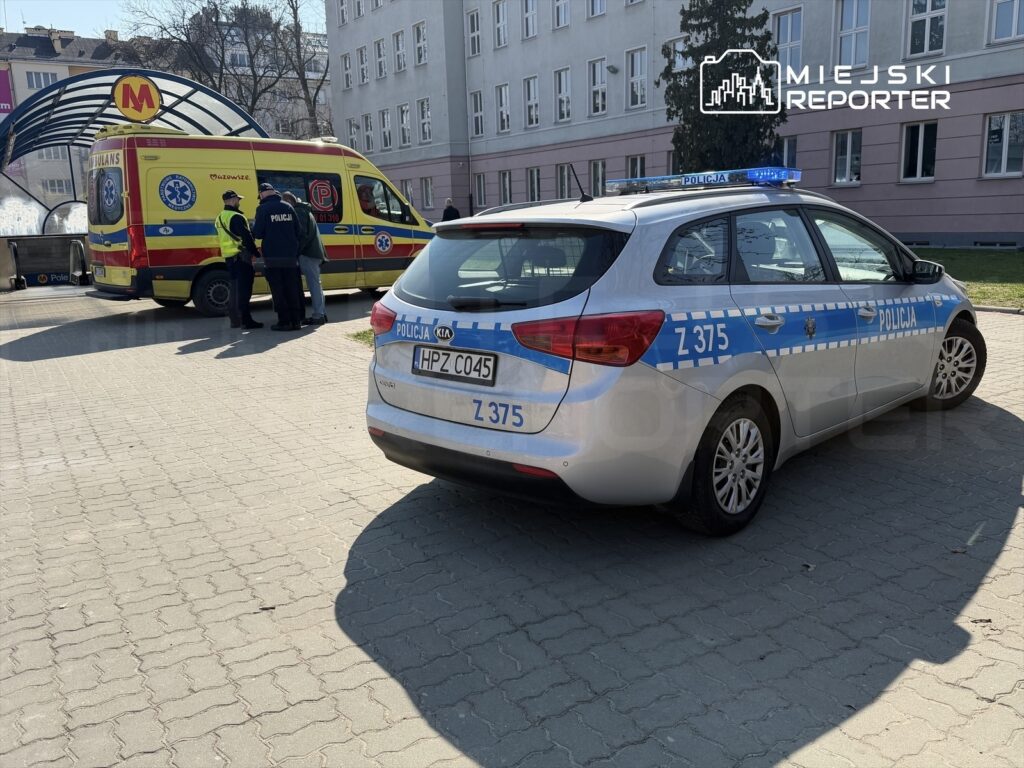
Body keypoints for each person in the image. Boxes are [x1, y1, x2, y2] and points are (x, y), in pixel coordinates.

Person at [252, 182, 303, 331]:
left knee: (278, 290)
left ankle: (284, 322)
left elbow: (258, 233)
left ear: (262, 194)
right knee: (292, 289)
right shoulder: (288, 206)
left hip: (273, 258)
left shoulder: (262, 209)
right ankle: (296, 321)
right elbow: (298, 231)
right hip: (291, 258)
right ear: (274, 192)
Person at [215, 190, 263, 329]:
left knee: (235, 289)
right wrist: (255, 252)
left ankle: (235, 320)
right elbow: (246, 237)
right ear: (232, 200)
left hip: (230, 258)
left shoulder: (220, 217)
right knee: (244, 290)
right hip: (242, 258)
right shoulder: (236, 216)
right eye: (237, 199)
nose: (239, 202)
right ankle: (246, 321)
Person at [282, 191, 328, 326]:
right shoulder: (304, 209)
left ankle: (318, 315)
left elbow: (301, 235)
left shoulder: (299, 212)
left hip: (308, 254)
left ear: (289, 202)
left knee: (314, 285)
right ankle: (321, 314)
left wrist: (295, 252)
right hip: (312, 253)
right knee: (316, 284)